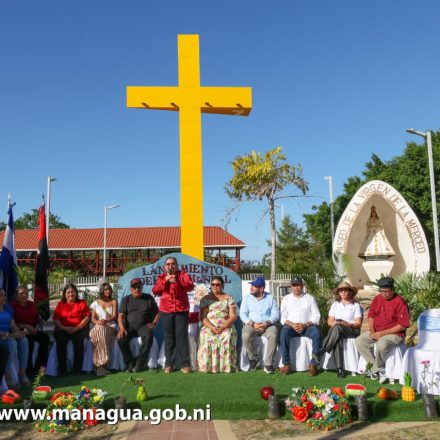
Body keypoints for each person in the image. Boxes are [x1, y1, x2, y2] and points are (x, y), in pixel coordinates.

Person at [355, 276, 410, 384]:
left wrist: (383, 333)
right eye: (381, 291)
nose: (384, 294)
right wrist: (372, 330)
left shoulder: (400, 302)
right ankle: (378, 367)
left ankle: (374, 369)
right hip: (377, 331)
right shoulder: (377, 299)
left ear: (393, 290)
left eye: (387, 291)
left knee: (382, 343)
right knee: (360, 341)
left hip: (395, 334)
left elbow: (403, 325)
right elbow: (371, 316)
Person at [152, 256, 194, 373]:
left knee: (182, 337)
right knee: (169, 337)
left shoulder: (183, 275)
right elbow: (155, 291)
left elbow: (190, 287)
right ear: (165, 267)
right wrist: (166, 280)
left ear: (177, 265)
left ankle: (184, 364)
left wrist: (178, 281)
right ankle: (169, 363)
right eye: (168, 264)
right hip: (166, 310)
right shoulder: (161, 277)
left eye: (173, 264)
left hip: (181, 310)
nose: (171, 266)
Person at [279, 277, 321, 376]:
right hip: (291, 326)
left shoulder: (310, 298)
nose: (296, 287)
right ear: (291, 286)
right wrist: (293, 324)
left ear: (302, 286)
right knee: (283, 333)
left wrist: (305, 325)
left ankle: (313, 364)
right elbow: (282, 317)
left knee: (317, 333)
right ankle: (286, 364)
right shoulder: (286, 299)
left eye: (298, 285)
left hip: (307, 326)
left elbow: (316, 316)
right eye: (294, 285)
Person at [320, 281, 362, 378]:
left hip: (351, 329)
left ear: (349, 292)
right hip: (337, 329)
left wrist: (349, 324)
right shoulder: (335, 304)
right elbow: (329, 321)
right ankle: (340, 369)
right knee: (337, 334)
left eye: (345, 290)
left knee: (337, 329)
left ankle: (322, 351)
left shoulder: (355, 305)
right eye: (341, 291)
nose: (343, 292)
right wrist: (335, 323)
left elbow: (358, 323)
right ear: (338, 293)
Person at [117, 278, 159, 373]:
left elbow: (157, 313)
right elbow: (120, 316)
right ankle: (130, 361)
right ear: (131, 289)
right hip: (129, 327)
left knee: (148, 335)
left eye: (139, 287)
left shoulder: (148, 298)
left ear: (142, 288)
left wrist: (154, 324)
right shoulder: (126, 299)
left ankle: (140, 362)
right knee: (121, 339)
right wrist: (122, 328)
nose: (137, 289)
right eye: (134, 288)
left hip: (143, 326)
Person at [240, 277, 280, 374]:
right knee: (245, 335)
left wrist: (266, 323)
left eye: (254, 286)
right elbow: (242, 314)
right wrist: (253, 324)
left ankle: (268, 363)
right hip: (252, 324)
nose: (251, 287)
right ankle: (253, 358)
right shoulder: (247, 298)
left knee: (273, 335)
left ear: (261, 288)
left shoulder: (270, 298)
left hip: (268, 324)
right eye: (251, 285)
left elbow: (276, 314)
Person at [197, 276, 237, 373]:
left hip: (225, 325)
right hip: (209, 326)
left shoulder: (229, 298)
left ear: (222, 286)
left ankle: (226, 367)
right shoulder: (205, 299)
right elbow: (203, 317)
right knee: (207, 335)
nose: (215, 286)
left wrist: (223, 326)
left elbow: (233, 316)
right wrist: (212, 328)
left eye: (218, 284)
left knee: (227, 335)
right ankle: (208, 367)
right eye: (213, 284)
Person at [10, 285, 50, 375]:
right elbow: (11, 323)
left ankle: (41, 367)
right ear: (16, 295)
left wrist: (36, 328)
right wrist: (26, 326)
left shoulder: (32, 304)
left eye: (26, 293)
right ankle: (28, 371)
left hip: (33, 329)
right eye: (21, 293)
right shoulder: (12, 306)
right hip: (19, 330)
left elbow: (37, 319)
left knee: (45, 338)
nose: (24, 295)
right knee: (29, 343)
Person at [53, 284, 90, 375]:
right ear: (64, 294)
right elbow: (56, 319)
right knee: (61, 340)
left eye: (73, 291)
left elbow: (87, 317)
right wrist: (64, 328)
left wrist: (77, 327)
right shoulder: (61, 304)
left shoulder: (82, 303)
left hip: (78, 328)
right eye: (68, 292)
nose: (71, 294)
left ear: (76, 293)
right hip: (63, 329)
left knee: (78, 341)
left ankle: (77, 369)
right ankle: (62, 369)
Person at [0, 288, 30, 388]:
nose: (4, 297)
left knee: (23, 340)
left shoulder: (7, 308)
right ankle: (7, 375)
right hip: (2, 337)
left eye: (4, 295)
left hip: (8, 336)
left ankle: (22, 374)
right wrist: (7, 335)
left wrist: (18, 332)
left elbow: (12, 325)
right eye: (1, 295)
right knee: (12, 343)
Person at [89, 282, 117, 376]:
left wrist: (106, 320)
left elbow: (114, 316)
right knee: (98, 330)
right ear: (102, 291)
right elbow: (93, 319)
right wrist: (98, 322)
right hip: (99, 326)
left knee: (100, 330)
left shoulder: (113, 301)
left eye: (109, 289)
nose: (108, 291)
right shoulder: (96, 303)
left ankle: (100, 365)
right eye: (105, 289)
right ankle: (101, 364)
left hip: (110, 326)